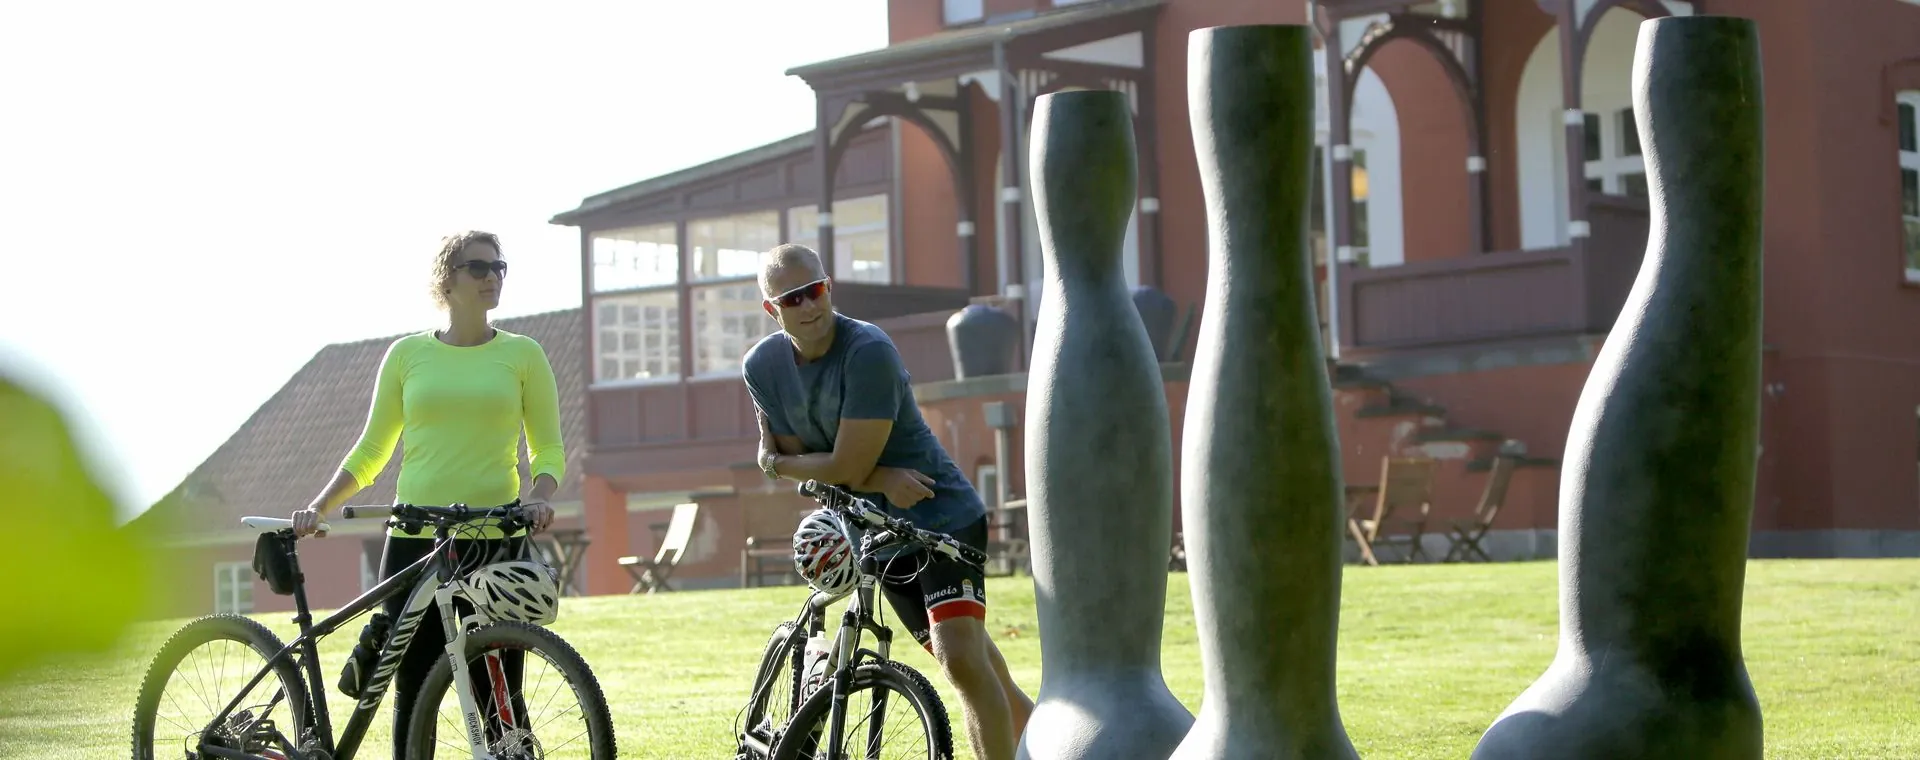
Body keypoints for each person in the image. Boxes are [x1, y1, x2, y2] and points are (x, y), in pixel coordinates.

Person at [742, 243, 1034, 760]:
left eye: (816, 290)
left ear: (829, 287)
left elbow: (838, 467)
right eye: (793, 299)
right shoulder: (762, 366)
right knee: (971, 665)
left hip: (939, 514)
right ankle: (1062, 747)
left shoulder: (867, 350)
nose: (809, 306)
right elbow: (813, 458)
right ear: (772, 309)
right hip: (870, 528)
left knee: (962, 658)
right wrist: (870, 477)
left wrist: (777, 464)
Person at [289, 230, 565, 758]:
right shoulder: (406, 355)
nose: (492, 277)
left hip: (494, 538)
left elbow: (548, 446)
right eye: (478, 268)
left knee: (499, 689)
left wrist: (541, 494)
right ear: (448, 279)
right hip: (414, 537)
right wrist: (319, 506)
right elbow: (372, 449)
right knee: (413, 687)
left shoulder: (524, 355)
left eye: (499, 268)